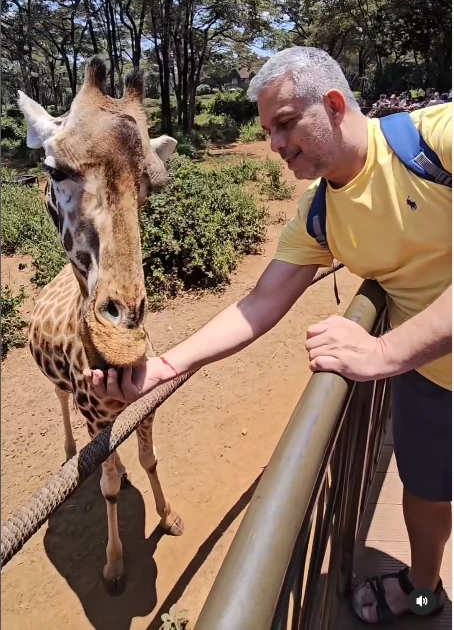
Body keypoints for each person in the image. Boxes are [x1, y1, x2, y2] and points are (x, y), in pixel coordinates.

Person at [85, 47, 452, 625]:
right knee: (427, 494)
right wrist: (166, 366)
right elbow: (259, 303)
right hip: (433, 379)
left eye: (285, 124)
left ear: (334, 105)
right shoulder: (319, 212)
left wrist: (384, 351)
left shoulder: (437, 139)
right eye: (268, 131)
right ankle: (425, 587)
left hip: (407, 360)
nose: (275, 145)